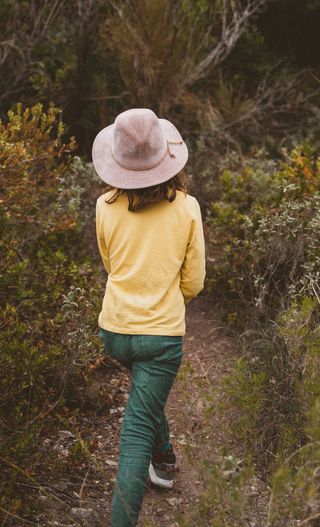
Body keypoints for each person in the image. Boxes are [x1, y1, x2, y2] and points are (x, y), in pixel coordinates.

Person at [91, 108, 206, 526]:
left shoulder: (104, 205)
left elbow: (111, 265)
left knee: (145, 397)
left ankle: (165, 460)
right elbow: (194, 282)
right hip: (161, 339)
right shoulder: (188, 208)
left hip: (115, 332)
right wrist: (166, 299)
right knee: (134, 432)